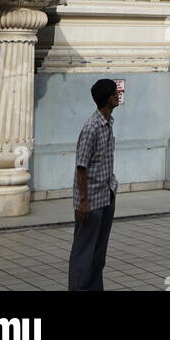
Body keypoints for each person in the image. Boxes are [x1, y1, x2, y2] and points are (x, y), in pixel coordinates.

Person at [68, 78, 120, 291]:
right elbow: (81, 166)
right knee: (83, 252)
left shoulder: (108, 123)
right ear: (109, 99)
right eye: (116, 93)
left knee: (98, 254)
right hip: (91, 200)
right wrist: (83, 201)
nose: (119, 96)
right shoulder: (92, 127)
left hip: (107, 194)